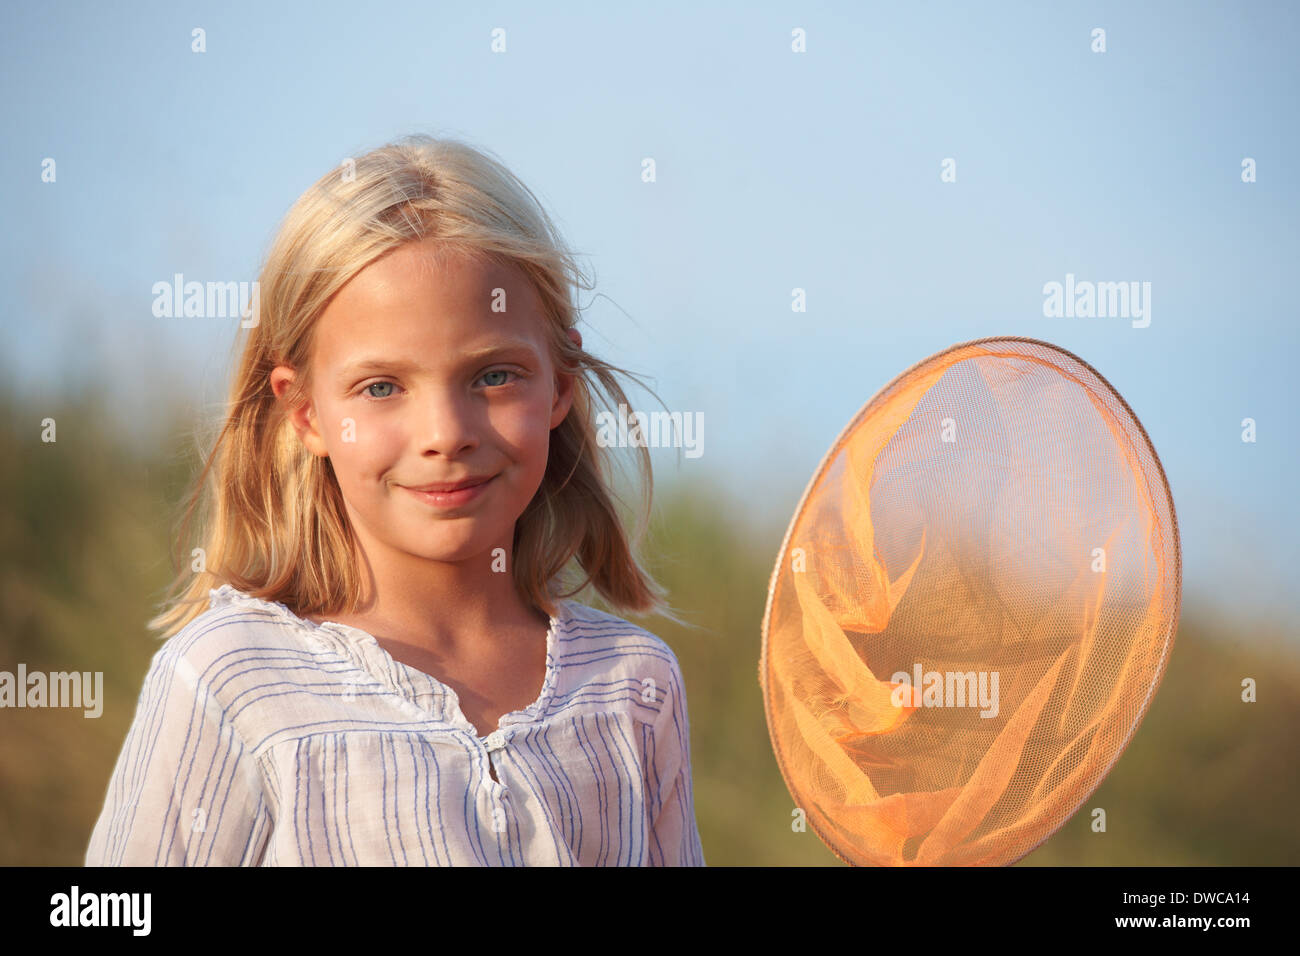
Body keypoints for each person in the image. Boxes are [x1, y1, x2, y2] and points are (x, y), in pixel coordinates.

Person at [84, 135, 705, 866]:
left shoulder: (632, 686)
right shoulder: (231, 680)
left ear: (560, 386)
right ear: (306, 411)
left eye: (495, 376)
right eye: (382, 388)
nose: (445, 434)